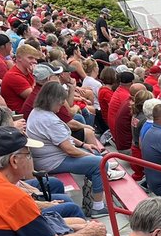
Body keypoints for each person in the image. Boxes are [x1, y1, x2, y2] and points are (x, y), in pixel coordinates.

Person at [26, 81, 108, 213]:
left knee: (95, 155)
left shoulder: (37, 111)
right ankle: (97, 207)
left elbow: (63, 138)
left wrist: (84, 145)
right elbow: (69, 149)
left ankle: (91, 197)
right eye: (61, 101)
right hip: (52, 161)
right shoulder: (48, 119)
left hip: (49, 157)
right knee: (100, 163)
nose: (62, 104)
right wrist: (88, 154)